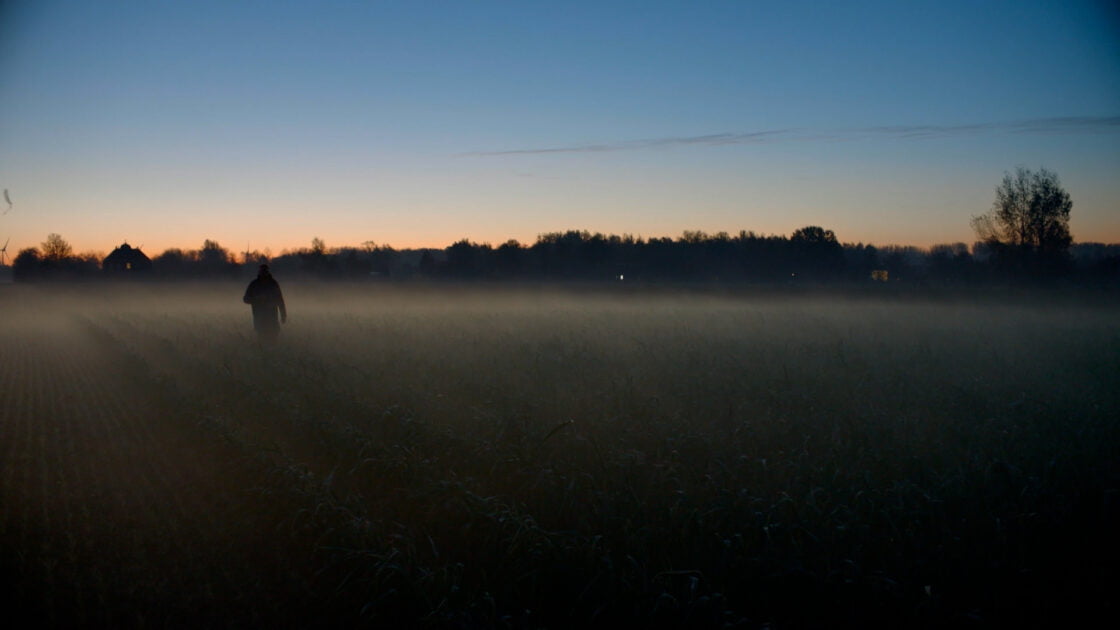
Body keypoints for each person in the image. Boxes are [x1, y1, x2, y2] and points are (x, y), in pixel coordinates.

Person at [243, 264, 287, 340]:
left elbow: (280, 300)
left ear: (267, 272)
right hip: (259, 318)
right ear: (259, 272)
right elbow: (246, 299)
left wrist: (283, 315)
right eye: (262, 271)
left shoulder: (273, 284)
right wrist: (257, 299)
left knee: (272, 339)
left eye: (265, 271)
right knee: (262, 339)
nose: (263, 272)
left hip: (272, 318)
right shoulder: (254, 284)